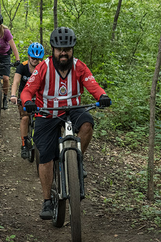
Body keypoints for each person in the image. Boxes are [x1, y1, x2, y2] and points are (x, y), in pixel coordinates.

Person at [20, 27, 112, 220]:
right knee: (45, 154)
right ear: (53, 49)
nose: (63, 53)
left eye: (67, 49)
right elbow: (27, 90)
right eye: (60, 49)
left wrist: (102, 95)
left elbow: (92, 85)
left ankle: (76, 159)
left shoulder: (79, 67)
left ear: (72, 49)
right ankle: (47, 201)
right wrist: (28, 101)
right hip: (47, 113)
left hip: (73, 110)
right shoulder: (43, 67)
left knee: (87, 123)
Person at [10, 42, 45, 159]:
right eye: (32, 58)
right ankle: (24, 144)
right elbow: (15, 82)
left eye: (37, 59)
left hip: (39, 96)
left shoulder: (43, 68)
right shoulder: (23, 66)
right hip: (24, 96)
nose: (34, 61)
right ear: (29, 56)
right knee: (25, 118)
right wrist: (13, 95)